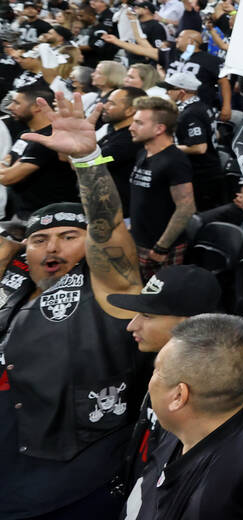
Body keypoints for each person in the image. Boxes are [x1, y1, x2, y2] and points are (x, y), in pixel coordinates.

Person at [0, 92, 146, 519]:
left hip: (68, 483)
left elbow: (108, 229)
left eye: (69, 236)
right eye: (41, 238)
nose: (54, 246)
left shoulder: (106, 286)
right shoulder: (16, 287)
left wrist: (87, 162)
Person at [111, 265, 243, 500]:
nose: (132, 325)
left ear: (190, 324)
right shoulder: (177, 363)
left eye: (147, 315)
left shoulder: (225, 398)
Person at [125, 313, 243, 520]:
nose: (152, 379)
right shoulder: (217, 418)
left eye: (158, 371)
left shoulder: (212, 503)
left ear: (179, 396)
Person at [128, 96, 195, 279]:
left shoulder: (175, 160)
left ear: (159, 128)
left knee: (158, 303)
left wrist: (162, 246)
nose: (131, 127)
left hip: (159, 248)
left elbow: (186, 208)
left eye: (139, 123)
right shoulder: (142, 152)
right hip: (138, 241)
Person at [0, 82, 80, 218]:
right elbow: (7, 160)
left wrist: (8, 167)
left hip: (49, 216)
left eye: (16, 103)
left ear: (37, 106)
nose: (9, 107)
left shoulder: (48, 139)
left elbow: (8, 178)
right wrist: (7, 166)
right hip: (24, 213)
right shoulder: (25, 134)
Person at [164, 71, 226, 212]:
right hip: (210, 170)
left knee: (198, 217)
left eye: (169, 89)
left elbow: (200, 148)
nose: (166, 92)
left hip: (202, 175)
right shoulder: (202, 106)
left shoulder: (190, 113)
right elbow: (216, 135)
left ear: (181, 92)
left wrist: (168, 147)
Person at [95, 85, 144, 214]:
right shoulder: (110, 128)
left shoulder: (129, 140)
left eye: (111, 104)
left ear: (130, 111)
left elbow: (92, 163)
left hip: (120, 214)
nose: (104, 106)